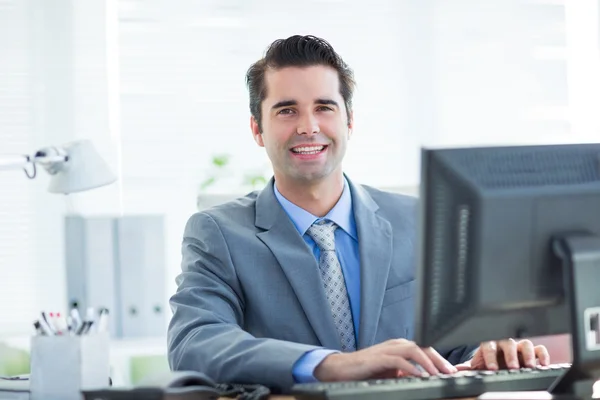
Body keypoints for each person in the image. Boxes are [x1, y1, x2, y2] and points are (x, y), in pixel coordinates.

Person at [167, 35, 550, 392]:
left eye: (324, 107)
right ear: (257, 129)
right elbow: (195, 342)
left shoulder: (419, 221)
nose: (308, 126)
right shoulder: (218, 232)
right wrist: (329, 365)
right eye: (287, 111)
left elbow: (455, 347)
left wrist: (487, 354)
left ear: (349, 121)